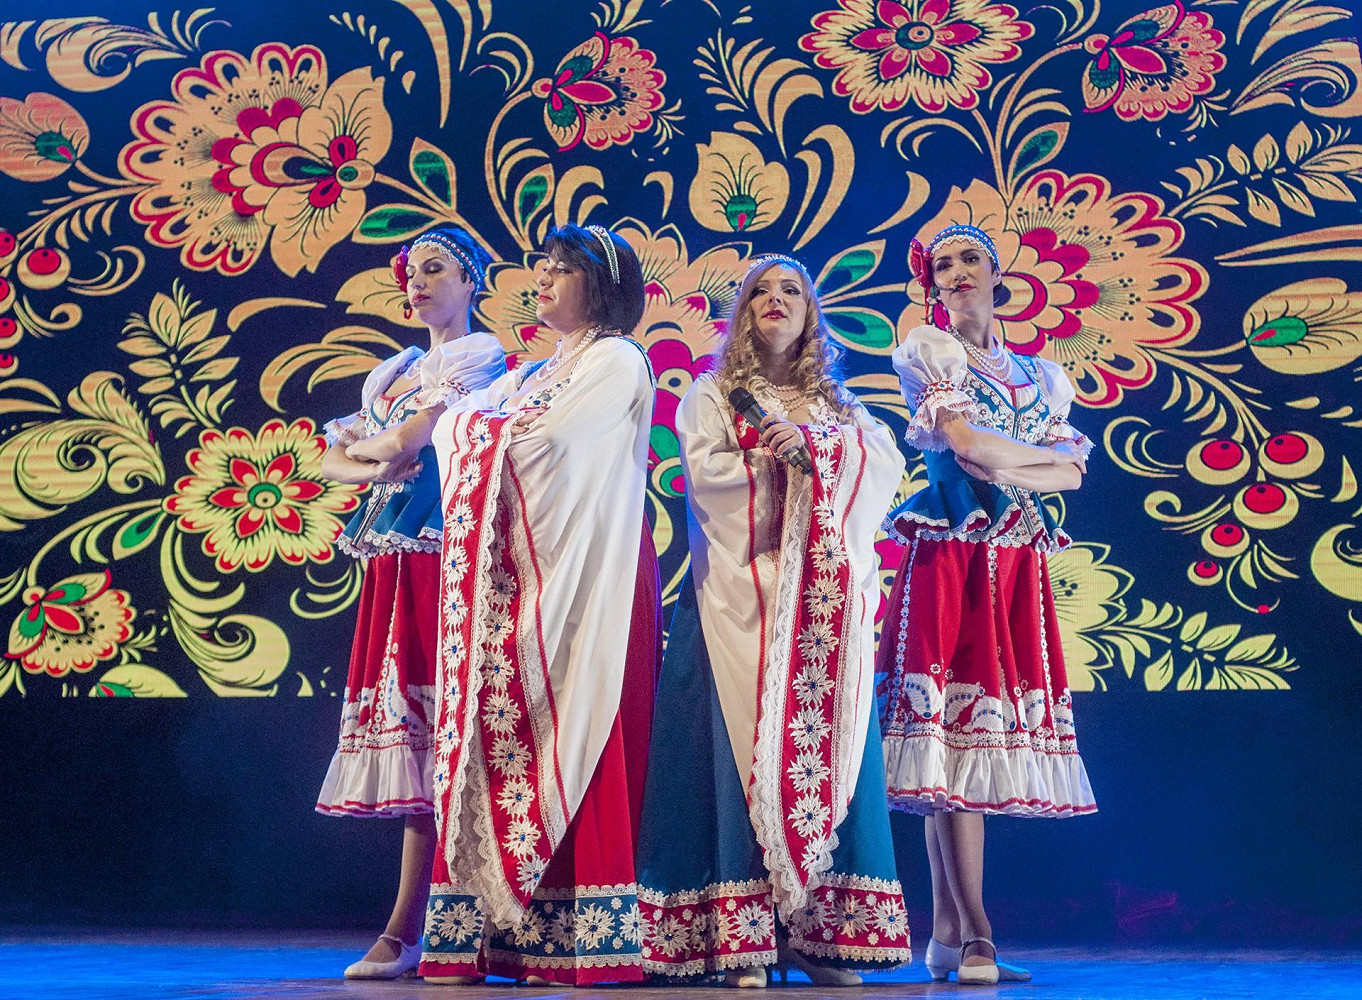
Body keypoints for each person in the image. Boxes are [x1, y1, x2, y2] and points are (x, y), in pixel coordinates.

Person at [635, 255, 911, 988]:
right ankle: (742, 939)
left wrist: (815, 448)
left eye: (792, 289)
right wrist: (772, 459)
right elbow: (708, 480)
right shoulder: (712, 394)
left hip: (820, 619)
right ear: (743, 312)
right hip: (737, 601)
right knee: (737, 761)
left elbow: (881, 466)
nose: (776, 298)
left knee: (831, 760)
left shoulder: (837, 403)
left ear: (812, 312)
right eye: (760, 289)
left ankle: (823, 938)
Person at [417, 224, 661, 986]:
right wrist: (474, 427)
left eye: (563, 269)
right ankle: (497, 937)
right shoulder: (534, 372)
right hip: (522, 576)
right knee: (499, 732)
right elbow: (459, 429)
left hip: (594, 571)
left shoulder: (618, 360)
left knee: (582, 721)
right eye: (543, 266)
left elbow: (546, 446)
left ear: (601, 285)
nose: (545, 279)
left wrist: (474, 429)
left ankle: (578, 940)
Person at [877, 224, 1097, 986]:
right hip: (953, 554)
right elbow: (966, 446)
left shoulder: (1044, 376)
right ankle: (978, 932)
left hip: (1013, 565)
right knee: (947, 740)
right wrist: (1036, 462)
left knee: (969, 745)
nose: (957, 271)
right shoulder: (928, 351)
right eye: (943, 264)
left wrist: (1019, 462)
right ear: (931, 284)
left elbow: (1074, 476)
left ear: (999, 273)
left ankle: (949, 932)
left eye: (971, 258)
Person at [315, 226, 508, 979]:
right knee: (418, 736)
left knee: (448, 731)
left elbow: (408, 443)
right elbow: (335, 462)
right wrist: (376, 459)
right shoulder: (395, 370)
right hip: (395, 558)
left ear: (471, 284)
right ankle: (412, 926)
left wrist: (381, 451)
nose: (418, 283)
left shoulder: (481, 358)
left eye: (436, 270)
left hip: (445, 553)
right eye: (411, 272)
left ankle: (419, 925)